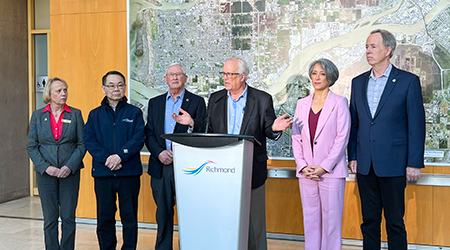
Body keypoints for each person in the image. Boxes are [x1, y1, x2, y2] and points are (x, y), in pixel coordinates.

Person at [174, 57, 292, 250]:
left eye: (230, 74)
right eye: (224, 73)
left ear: (243, 77)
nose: (225, 78)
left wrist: (276, 128)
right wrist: (192, 123)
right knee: (223, 222)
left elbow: (268, 131)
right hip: (221, 171)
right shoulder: (215, 98)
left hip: (251, 171)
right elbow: (209, 131)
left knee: (254, 225)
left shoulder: (262, 99)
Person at [348, 29, 426, 250]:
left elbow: (416, 125)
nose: (368, 51)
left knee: (394, 223)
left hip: (394, 164)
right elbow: (354, 124)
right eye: (366, 47)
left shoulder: (408, 81)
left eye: (373, 47)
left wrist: (414, 162)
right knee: (369, 222)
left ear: (388, 50)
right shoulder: (358, 82)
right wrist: (353, 155)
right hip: (365, 165)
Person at [145, 63, 206, 250]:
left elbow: (204, 130)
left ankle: (190, 246)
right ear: (165, 79)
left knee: (189, 213)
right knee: (163, 213)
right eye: (171, 74)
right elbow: (149, 133)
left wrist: (191, 123)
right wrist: (159, 153)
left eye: (178, 74)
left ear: (185, 78)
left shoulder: (197, 102)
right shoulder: (154, 103)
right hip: (161, 166)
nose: (175, 78)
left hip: (188, 167)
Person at [291, 58, 350, 250]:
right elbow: (296, 137)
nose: (317, 77)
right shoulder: (302, 104)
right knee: (310, 220)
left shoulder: (340, 103)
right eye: (314, 73)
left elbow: (342, 138)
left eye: (322, 73)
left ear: (330, 77)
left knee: (331, 222)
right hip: (307, 172)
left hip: (330, 173)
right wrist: (302, 165)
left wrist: (323, 167)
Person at [83, 71, 145, 250]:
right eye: (111, 85)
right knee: (105, 217)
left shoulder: (135, 112)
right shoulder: (95, 115)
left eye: (119, 84)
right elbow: (89, 140)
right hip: (103, 173)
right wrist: (107, 158)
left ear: (125, 87)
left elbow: (138, 138)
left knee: (130, 217)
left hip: (129, 173)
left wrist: (121, 156)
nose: (116, 89)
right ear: (104, 89)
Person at [27, 77, 86, 250]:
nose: (63, 93)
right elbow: (31, 146)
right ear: (49, 94)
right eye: (59, 90)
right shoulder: (38, 116)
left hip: (70, 174)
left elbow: (82, 144)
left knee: (68, 217)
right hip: (46, 175)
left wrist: (69, 166)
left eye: (65, 90)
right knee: (50, 218)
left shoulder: (75, 114)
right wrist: (46, 167)